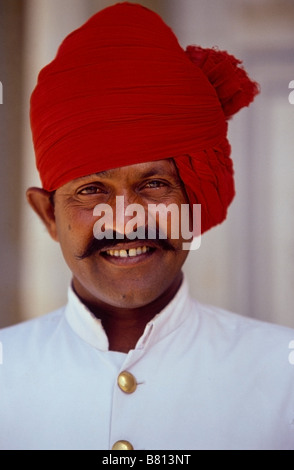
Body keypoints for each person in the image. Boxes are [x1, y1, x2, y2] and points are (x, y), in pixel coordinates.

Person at [0, 2, 293, 451]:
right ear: (48, 215)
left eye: (155, 184)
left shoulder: (281, 374)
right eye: (92, 189)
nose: (124, 218)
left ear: (193, 200)